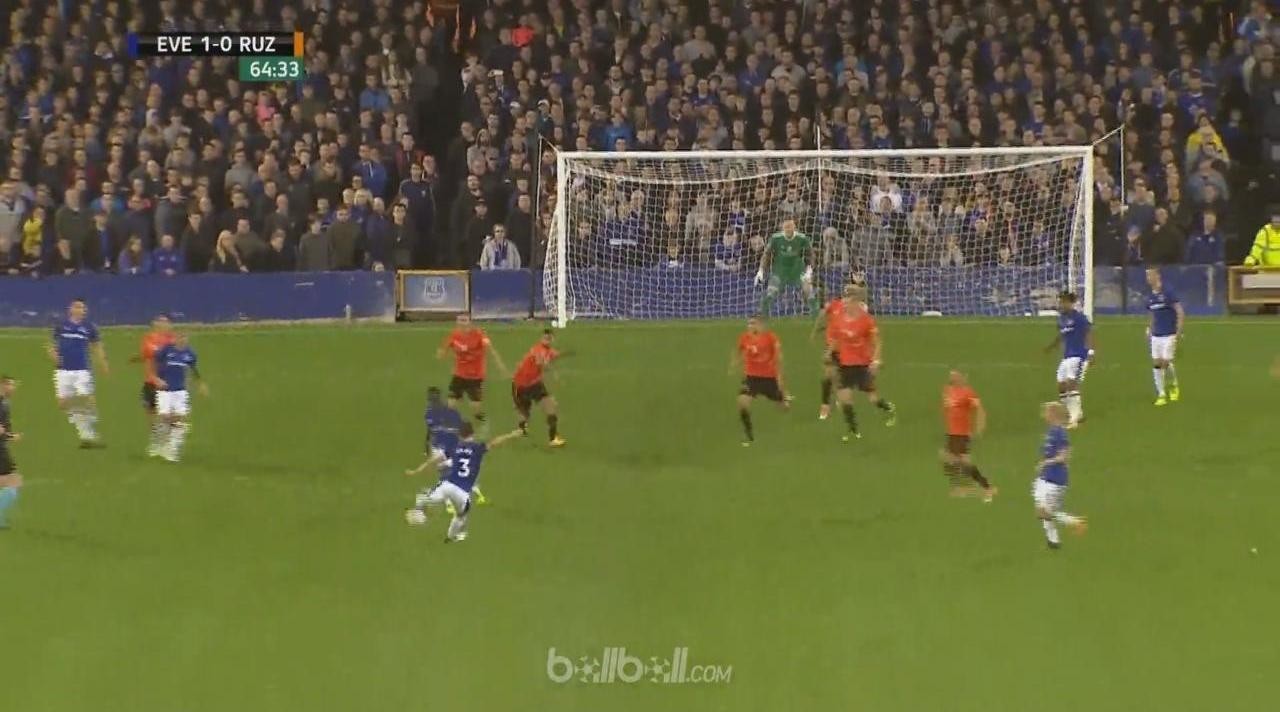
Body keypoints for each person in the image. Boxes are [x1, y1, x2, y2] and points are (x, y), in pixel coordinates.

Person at [403, 422, 526, 542]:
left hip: (447, 485)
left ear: (460, 435)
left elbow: (434, 460)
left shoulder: (454, 447)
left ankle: (419, 509)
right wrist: (512, 435)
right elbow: (495, 442)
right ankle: (450, 537)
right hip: (462, 493)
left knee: (426, 498)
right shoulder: (477, 448)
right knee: (461, 515)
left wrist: (416, 471)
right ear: (472, 433)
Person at [829, 289, 897, 442]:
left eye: (848, 301)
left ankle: (889, 408)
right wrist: (828, 352)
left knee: (873, 399)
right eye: (844, 301)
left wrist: (876, 360)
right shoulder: (839, 319)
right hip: (845, 365)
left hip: (862, 365)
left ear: (855, 303)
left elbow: (877, 341)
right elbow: (835, 339)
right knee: (845, 398)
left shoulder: (866, 320)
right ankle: (853, 430)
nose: (845, 304)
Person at [46, 299, 108, 447]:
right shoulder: (61, 326)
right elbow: (51, 344)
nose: (80, 310)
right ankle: (86, 430)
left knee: (86, 398)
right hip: (62, 370)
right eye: (77, 307)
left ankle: (89, 434)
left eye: (82, 307)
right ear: (70, 309)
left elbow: (97, 346)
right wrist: (53, 355)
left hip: (82, 369)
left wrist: (103, 363)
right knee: (63, 404)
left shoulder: (89, 327)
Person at [1033, 401, 1087, 550]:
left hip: (1056, 479)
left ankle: (1075, 522)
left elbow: (1064, 456)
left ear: (1053, 414)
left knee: (1045, 512)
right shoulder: (1051, 432)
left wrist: (1046, 462)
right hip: (1044, 477)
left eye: (1046, 412)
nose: (1044, 415)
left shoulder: (1060, 433)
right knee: (1042, 510)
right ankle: (1053, 541)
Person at [437, 313, 509, 425]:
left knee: (475, 405)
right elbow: (443, 351)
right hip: (459, 374)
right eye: (460, 320)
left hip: (475, 376)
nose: (462, 323)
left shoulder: (479, 335)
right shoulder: (454, 335)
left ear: (470, 322)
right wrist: (443, 354)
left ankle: (478, 415)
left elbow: (490, 349)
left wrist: (500, 365)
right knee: (451, 401)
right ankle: (449, 421)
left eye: (464, 320)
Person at [730, 316, 791, 445]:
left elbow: (779, 357)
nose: (750, 326)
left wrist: (780, 379)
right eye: (749, 323)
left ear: (761, 325)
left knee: (783, 407)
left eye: (753, 323)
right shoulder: (744, 338)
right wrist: (735, 363)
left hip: (769, 378)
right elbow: (738, 350)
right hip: (751, 378)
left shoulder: (770, 337)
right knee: (742, 402)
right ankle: (748, 433)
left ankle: (784, 398)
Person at [423, 386, 487, 508]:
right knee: (449, 472)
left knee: (451, 472)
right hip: (441, 447)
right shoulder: (430, 414)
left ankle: (451, 501)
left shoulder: (449, 413)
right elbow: (430, 431)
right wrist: (427, 447)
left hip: (450, 448)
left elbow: (456, 431)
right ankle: (462, 498)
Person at [940, 370, 995, 501]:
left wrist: (980, 425)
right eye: (951, 375)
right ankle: (977, 486)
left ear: (962, 377)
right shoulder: (948, 390)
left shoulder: (968, 393)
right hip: (953, 433)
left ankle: (985, 487)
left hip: (961, 433)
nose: (952, 377)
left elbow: (979, 408)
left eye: (955, 375)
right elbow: (947, 407)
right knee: (952, 459)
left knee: (957, 460)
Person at [153, 333, 208, 462]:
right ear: (175, 338)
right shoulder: (166, 350)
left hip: (180, 391)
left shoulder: (190, 354)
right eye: (180, 337)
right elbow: (154, 363)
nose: (183, 340)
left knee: (179, 419)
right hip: (165, 389)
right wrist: (156, 378)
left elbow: (194, 369)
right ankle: (159, 443)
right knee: (165, 418)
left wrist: (201, 384)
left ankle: (172, 450)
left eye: (185, 338)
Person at [1043, 291, 1093, 428]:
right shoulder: (1061, 319)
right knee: (1061, 386)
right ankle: (1073, 414)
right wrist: (1051, 346)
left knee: (1072, 384)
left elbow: (1088, 333)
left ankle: (1074, 418)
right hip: (1067, 356)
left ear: (1071, 303)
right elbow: (1062, 335)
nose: (1062, 304)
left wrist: (1091, 352)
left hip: (1078, 355)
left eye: (1064, 302)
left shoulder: (1080, 318)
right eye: (1061, 302)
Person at [128, 314, 175, 457]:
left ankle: (167, 444)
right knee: (151, 414)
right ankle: (156, 442)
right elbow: (146, 354)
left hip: (166, 382)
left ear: (170, 325)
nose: (162, 324)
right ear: (154, 323)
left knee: (166, 415)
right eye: (159, 321)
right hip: (150, 381)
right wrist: (137, 358)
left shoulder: (172, 340)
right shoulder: (148, 338)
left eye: (165, 321)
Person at [511, 329, 566, 447]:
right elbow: (541, 363)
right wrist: (554, 373)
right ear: (541, 338)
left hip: (534, 384)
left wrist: (565, 354)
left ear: (552, 340)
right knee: (524, 413)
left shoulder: (548, 351)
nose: (547, 340)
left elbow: (553, 355)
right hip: (521, 384)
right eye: (545, 338)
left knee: (551, 407)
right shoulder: (538, 350)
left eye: (549, 338)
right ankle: (522, 430)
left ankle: (552, 438)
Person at [811, 284, 858, 420]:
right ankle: (825, 406)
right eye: (847, 295)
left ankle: (839, 398)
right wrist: (816, 330)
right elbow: (823, 314)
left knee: (841, 376)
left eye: (850, 296)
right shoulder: (834, 305)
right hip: (832, 347)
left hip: (845, 348)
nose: (848, 298)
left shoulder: (853, 313)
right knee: (828, 376)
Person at [754, 218, 817, 316]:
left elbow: (811, 254)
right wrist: (761, 270)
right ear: (782, 228)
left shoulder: (802, 238)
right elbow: (766, 254)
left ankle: (815, 314)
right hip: (780, 270)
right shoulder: (775, 238)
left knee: (808, 289)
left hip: (797, 269)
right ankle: (762, 315)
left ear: (794, 227)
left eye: (790, 226)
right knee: (771, 292)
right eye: (786, 227)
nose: (788, 229)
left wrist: (809, 270)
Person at [1145, 268, 1185, 406]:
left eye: (1150, 275)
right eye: (1147, 276)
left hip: (1169, 334)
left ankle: (1173, 384)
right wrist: (1149, 329)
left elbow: (1179, 311)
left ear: (1157, 275)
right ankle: (1161, 394)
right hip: (1156, 335)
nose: (1148, 278)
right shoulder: (1150, 297)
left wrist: (1179, 330)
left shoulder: (1168, 292)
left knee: (1165, 362)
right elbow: (1151, 314)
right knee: (1157, 364)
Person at [0, 376, 23, 529]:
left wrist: (9, 435)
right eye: (10, 385)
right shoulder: (2, 404)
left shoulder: (5, 403)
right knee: (14, 481)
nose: (13, 388)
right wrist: (11, 436)